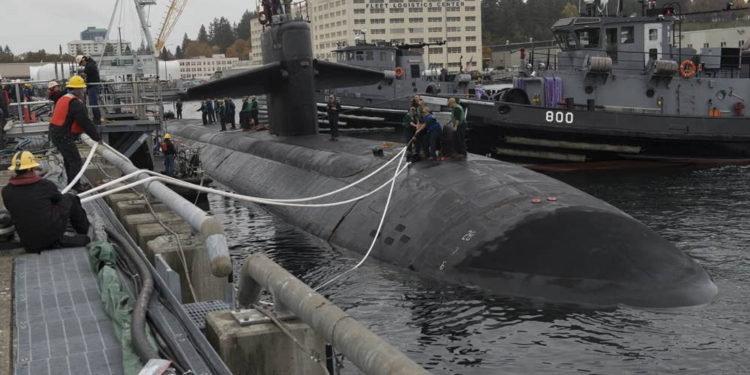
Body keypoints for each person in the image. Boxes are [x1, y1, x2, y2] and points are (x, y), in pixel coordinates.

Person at [2, 151, 90, 253]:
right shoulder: (45, 185)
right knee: (70, 199)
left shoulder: (6, 191)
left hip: (29, 243)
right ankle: (85, 231)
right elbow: (58, 199)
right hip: (52, 238)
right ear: (32, 168)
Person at [49, 75, 102, 189]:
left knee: (69, 159)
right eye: (82, 89)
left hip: (55, 132)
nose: (83, 91)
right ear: (77, 90)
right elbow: (86, 123)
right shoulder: (76, 104)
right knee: (75, 161)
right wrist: (97, 138)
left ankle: (72, 184)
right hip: (62, 135)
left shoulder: (63, 98)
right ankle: (75, 186)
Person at [75, 55, 102, 124]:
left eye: (81, 63)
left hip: (93, 86)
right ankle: (96, 118)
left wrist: (84, 73)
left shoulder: (90, 65)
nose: (82, 65)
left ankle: (97, 119)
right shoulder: (91, 64)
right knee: (92, 102)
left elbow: (89, 70)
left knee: (93, 103)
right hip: (91, 86)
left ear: (84, 60)